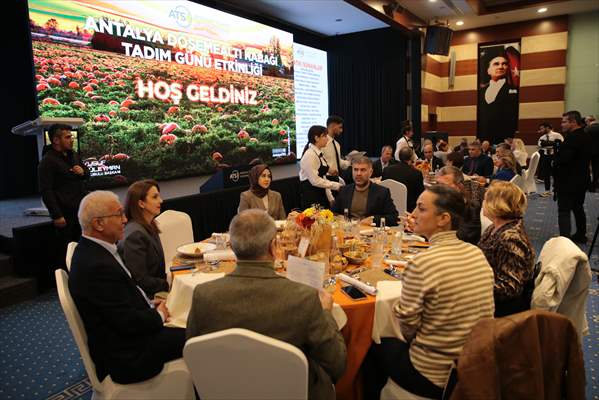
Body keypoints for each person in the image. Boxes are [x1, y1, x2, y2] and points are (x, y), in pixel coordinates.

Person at [186, 209, 347, 400]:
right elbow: (337, 364)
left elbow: (195, 356)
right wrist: (326, 312)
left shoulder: (203, 296)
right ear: (273, 247)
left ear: (233, 247)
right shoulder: (304, 298)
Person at [367, 185, 494, 399]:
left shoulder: (422, 263)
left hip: (432, 373)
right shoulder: (476, 252)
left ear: (443, 219)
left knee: (371, 345)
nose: (413, 214)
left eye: (421, 209)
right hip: (471, 364)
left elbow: (407, 329)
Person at [69, 191, 185, 384]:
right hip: (129, 354)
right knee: (198, 334)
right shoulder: (97, 267)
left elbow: (118, 303)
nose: (125, 220)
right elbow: (128, 322)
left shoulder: (93, 251)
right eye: (119, 214)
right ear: (98, 224)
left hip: (124, 337)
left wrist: (149, 304)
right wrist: (159, 315)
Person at [478, 181, 535, 317]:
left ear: (496, 204)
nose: (482, 203)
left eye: (485, 199)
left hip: (503, 310)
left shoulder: (510, 238)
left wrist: (472, 288)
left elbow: (510, 288)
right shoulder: (495, 227)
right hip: (490, 294)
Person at [38, 124, 89, 245]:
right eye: (67, 137)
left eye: (71, 136)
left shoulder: (73, 154)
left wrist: (82, 172)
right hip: (65, 213)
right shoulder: (47, 161)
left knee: (82, 244)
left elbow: (87, 174)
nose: (72, 139)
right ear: (56, 140)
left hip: (80, 208)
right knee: (66, 247)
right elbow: (46, 190)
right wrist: (57, 215)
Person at [117, 180, 168, 297]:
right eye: (155, 197)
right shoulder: (135, 235)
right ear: (141, 203)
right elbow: (140, 280)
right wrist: (168, 284)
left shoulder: (149, 225)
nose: (161, 200)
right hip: (146, 298)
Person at [554, 111, 593, 243]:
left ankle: (564, 241)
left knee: (564, 210)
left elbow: (565, 159)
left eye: (564, 122)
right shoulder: (586, 136)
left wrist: (555, 160)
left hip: (568, 181)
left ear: (573, 122)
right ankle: (581, 235)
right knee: (578, 207)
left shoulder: (572, 138)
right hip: (582, 179)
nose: (562, 124)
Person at [331, 156, 399, 226]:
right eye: (355, 170)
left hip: (369, 230)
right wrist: (339, 217)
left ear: (371, 172)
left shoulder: (382, 192)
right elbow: (333, 213)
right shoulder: (344, 190)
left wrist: (373, 220)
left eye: (363, 170)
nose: (358, 174)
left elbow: (394, 218)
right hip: (348, 230)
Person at [478, 48, 519, 144]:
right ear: (488, 70)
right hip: (484, 141)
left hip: (504, 141)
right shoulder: (480, 92)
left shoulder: (514, 90)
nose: (501, 67)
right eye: (496, 64)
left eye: (504, 64)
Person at [436, 166, 484, 244]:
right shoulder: (439, 203)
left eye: (444, 186)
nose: (438, 189)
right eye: (437, 184)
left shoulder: (472, 209)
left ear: (459, 187)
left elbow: (466, 237)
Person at [299, 125, 343, 209]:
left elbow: (323, 177)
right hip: (311, 197)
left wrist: (330, 198)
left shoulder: (318, 153)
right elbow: (315, 181)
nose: (327, 139)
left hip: (320, 194)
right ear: (316, 138)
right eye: (324, 136)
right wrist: (336, 185)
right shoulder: (310, 155)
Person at [383, 147, 424, 212]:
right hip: (408, 211)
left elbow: (383, 189)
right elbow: (420, 195)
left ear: (399, 157)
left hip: (388, 208)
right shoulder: (416, 173)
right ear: (412, 158)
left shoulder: (387, 170)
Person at [537, 122, 564, 195]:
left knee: (556, 173)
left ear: (547, 128)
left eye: (542, 128)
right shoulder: (542, 137)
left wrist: (547, 143)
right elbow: (540, 145)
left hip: (554, 155)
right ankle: (547, 190)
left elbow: (561, 144)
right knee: (546, 173)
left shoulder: (557, 135)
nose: (541, 130)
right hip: (546, 156)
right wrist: (552, 143)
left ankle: (556, 189)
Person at [584, 115, 599, 192]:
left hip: (589, 151)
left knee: (587, 168)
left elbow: (583, 140)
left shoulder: (587, 128)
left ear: (588, 121)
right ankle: (596, 184)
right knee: (597, 168)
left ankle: (590, 186)